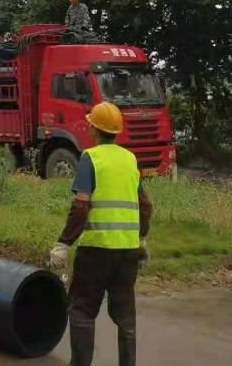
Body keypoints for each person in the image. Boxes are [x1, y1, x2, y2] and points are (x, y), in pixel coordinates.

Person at [49, 102, 153, 366]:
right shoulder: (130, 160)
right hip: (127, 253)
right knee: (126, 318)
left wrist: (63, 243)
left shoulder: (90, 158)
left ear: (94, 129)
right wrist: (141, 239)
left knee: (82, 311)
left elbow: (81, 205)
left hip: (96, 250)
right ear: (116, 131)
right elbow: (145, 205)